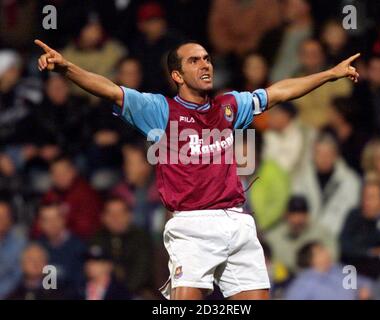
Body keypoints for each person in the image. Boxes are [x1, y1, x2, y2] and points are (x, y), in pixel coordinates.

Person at [35, 37, 361, 300]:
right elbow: (108, 89)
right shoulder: (160, 110)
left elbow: (278, 92)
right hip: (192, 225)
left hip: (237, 219)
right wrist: (66, 68)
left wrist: (328, 74)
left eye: (206, 58)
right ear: (177, 75)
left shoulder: (230, 106)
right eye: (194, 60)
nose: (205, 64)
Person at [292, 133, 361, 236]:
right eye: (319, 153)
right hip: (304, 235)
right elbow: (296, 209)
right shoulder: (301, 177)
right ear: (313, 154)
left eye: (328, 154)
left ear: (336, 155)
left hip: (337, 236)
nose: (323, 158)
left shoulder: (350, 181)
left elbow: (350, 214)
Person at [89, 197, 154, 298]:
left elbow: (140, 276)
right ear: (103, 217)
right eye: (111, 214)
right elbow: (89, 272)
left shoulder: (141, 239)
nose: (116, 218)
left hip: (135, 293)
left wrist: (111, 269)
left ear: (129, 216)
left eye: (120, 214)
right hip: (102, 292)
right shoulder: (97, 239)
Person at [340, 179, 380, 279]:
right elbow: (345, 245)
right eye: (364, 197)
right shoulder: (355, 215)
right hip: (357, 270)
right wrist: (369, 251)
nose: (366, 202)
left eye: (371, 197)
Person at [265, 195, 338, 274]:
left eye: (301, 215)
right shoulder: (273, 237)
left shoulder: (321, 232)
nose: (297, 220)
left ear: (308, 216)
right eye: (293, 216)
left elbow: (333, 254)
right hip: (284, 280)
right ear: (286, 215)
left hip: (317, 276)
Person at [285, 241, 372, 300]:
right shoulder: (304, 282)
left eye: (324, 249)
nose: (327, 252)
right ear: (310, 259)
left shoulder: (338, 268)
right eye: (321, 251)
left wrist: (365, 288)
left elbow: (365, 281)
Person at [36, 202, 86, 293]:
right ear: (40, 224)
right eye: (47, 220)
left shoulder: (78, 247)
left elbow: (81, 286)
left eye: (56, 218)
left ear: (63, 219)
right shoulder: (37, 247)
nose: (52, 224)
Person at [0, 200, 27, 299]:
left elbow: (17, 277)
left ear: (10, 219)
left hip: (11, 295)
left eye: (4, 216)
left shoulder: (20, 243)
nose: (1, 220)